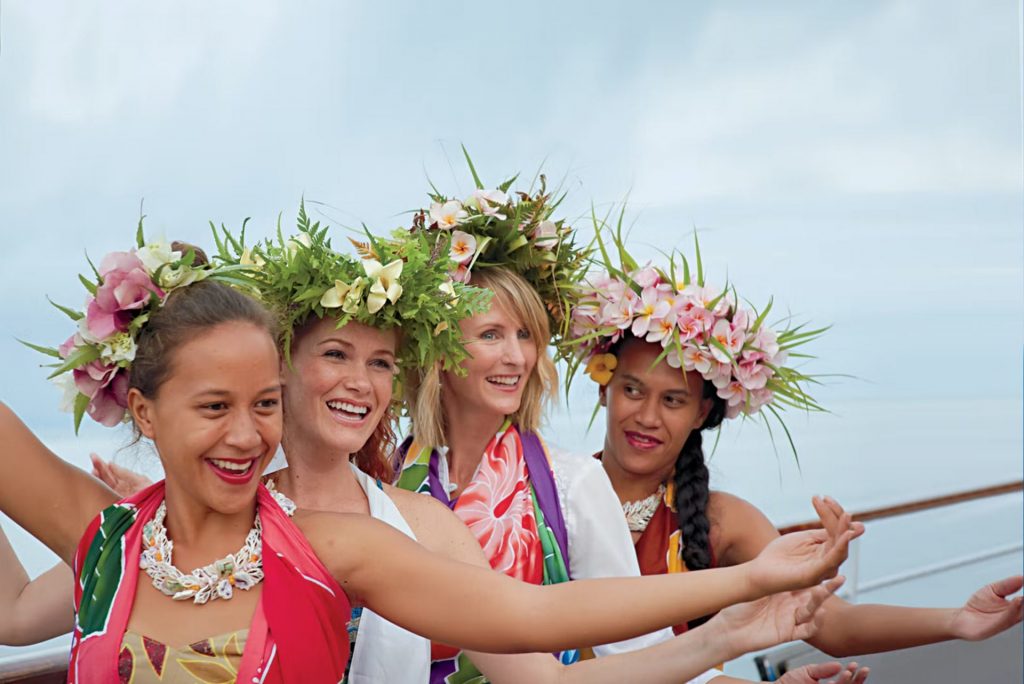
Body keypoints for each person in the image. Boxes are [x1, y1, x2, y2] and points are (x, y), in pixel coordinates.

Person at [1, 221, 862, 683]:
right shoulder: (110, 536)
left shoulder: (343, 543)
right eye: (214, 406)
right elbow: (10, 617)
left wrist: (743, 600)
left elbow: (537, 623)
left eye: (258, 404)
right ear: (146, 414)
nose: (243, 431)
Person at [567, 224, 1024, 657]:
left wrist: (957, 621)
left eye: (672, 400)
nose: (646, 417)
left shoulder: (723, 520)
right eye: (632, 390)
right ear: (604, 386)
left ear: (701, 413)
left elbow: (830, 623)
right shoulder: (551, 495)